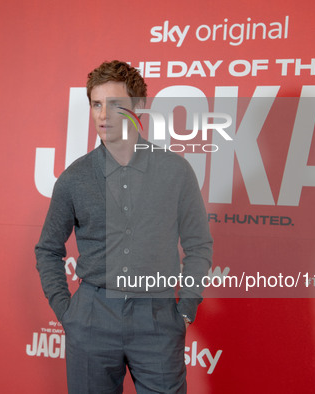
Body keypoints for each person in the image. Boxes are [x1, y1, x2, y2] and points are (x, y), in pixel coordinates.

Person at [35, 60, 213, 393]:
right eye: (96, 105)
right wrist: (67, 313)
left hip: (157, 317)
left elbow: (199, 245)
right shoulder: (73, 178)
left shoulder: (176, 172)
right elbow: (47, 249)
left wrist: (185, 308)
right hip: (91, 317)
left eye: (115, 105)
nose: (103, 116)